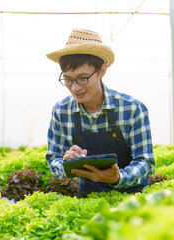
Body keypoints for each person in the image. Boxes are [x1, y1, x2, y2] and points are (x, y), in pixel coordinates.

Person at [45, 28, 155, 198]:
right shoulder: (61, 111)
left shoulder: (132, 108)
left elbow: (145, 161)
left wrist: (118, 177)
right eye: (67, 79)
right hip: (89, 197)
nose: (75, 87)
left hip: (133, 199)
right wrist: (66, 164)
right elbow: (54, 159)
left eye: (83, 78)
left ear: (102, 70)